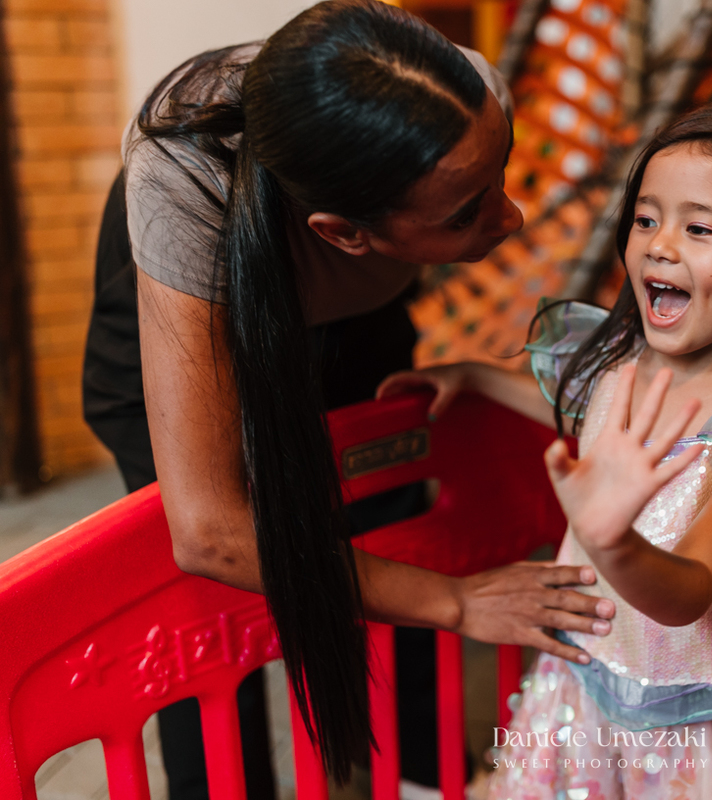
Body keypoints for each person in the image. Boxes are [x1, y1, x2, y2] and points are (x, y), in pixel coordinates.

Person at [81, 1, 616, 795]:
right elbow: (212, 534)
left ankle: (426, 774)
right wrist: (457, 602)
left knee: (392, 530)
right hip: (183, 333)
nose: (512, 216)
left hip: (354, 325)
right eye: (469, 212)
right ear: (341, 233)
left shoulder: (461, 92)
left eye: (497, 176)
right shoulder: (186, 185)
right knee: (208, 606)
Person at [378, 105, 712, 798]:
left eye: (699, 227)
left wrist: (610, 541)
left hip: (706, 727)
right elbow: (580, 409)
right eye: (647, 218)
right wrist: (471, 375)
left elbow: (688, 590)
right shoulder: (619, 362)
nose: (658, 243)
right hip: (584, 685)